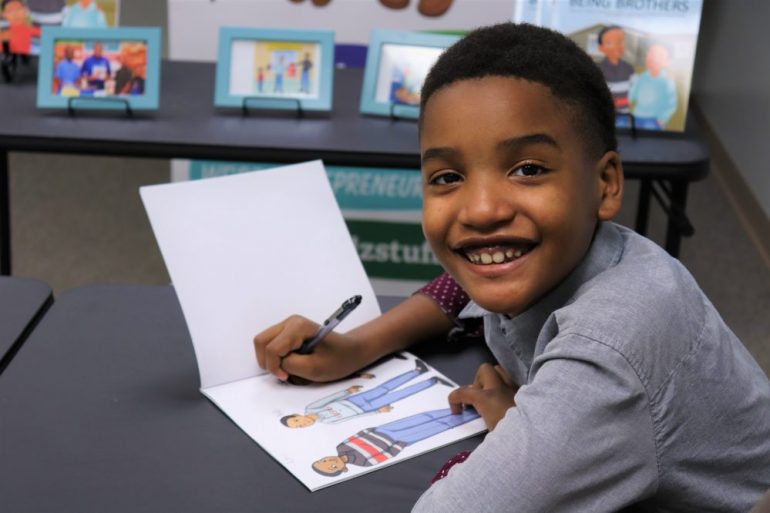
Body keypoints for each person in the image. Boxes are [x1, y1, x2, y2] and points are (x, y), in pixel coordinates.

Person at [253, 22, 770, 511]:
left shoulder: (612, 347)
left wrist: (518, 436)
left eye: (528, 169)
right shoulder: (563, 254)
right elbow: (456, 291)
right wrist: (359, 346)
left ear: (606, 185)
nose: (481, 210)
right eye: (448, 176)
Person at [281, 359, 452, 428]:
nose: (302, 423)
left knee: (384, 388)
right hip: (363, 410)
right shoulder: (328, 423)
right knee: (398, 396)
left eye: (296, 421)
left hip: (355, 399)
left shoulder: (311, 408)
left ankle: (416, 371)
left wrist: (347, 391)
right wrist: (377, 412)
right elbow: (354, 419)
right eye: (300, 426)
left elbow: (329, 398)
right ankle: (433, 381)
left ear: (296, 415)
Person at [312, 408, 480, 476]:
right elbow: (384, 455)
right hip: (398, 440)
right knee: (436, 427)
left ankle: (462, 408)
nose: (330, 462)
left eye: (324, 461)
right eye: (331, 467)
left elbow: (356, 435)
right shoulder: (364, 463)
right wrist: (400, 445)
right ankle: (474, 414)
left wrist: (372, 429)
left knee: (421, 418)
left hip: (384, 430)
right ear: (342, 470)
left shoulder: (340, 446)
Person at [628, 44, 678, 131]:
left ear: (667, 62)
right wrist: (633, 83)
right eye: (650, 54)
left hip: (654, 120)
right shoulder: (641, 78)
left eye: (658, 56)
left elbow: (671, 104)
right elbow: (632, 96)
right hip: (637, 116)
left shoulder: (667, 80)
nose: (652, 58)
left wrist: (662, 118)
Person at [596, 25, 635, 128]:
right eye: (609, 43)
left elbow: (635, 91)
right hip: (604, 116)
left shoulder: (629, 69)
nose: (616, 46)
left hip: (624, 115)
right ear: (601, 48)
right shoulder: (598, 69)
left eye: (620, 42)